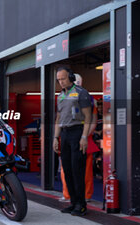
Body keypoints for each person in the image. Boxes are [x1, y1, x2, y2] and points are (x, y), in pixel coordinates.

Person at [53, 67, 92, 216]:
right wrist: (56, 138)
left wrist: (84, 137)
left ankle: (81, 205)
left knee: (77, 170)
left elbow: (88, 117)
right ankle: (73, 203)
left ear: (70, 77)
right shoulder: (60, 96)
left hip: (77, 133)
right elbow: (58, 118)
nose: (61, 82)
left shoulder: (81, 93)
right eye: (59, 80)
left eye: (63, 79)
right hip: (65, 133)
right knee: (67, 170)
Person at [60, 73, 99, 203]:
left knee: (83, 171)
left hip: (82, 137)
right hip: (71, 136)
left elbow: (92, 120)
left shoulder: (87, 98)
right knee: (67, 169)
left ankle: (84, 196)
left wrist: (83, 136)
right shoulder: (64, 96)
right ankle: (69, 195)